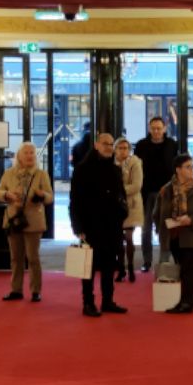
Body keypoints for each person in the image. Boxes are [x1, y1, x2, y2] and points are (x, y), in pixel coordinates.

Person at [69, 133, 128, 317]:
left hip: (112, 226)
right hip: (91, 226)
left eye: (111, 145)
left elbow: (122, 195)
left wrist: (123, 213)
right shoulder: (82, 169)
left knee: (109, 266)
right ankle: (88, 303)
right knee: (89, 267)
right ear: (96, 145)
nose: (109, 147)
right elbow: (75, 201)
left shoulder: (115, 170)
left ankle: (108, 301)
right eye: (105, 144)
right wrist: (78, 228)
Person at [154, 154, 193, 314]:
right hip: (174, 236)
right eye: (188, 167)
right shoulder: (166, 190)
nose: (192, 170)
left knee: (189, 270)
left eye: (192, 167)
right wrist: (162, 228)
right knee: (184, 271)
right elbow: (157, 213)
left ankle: (186, 304)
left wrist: (191, 220)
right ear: (178, 170)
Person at [0, 142, 53, 302]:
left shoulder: (41, 174)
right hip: (14, 220)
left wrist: (42, 195)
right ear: (19, 156)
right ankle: (16, 290)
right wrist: (7, 195)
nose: (29, 156)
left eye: (32, 153)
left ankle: (35, 291)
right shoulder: (9, 173)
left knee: (33, 258)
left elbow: (50, 197)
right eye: (26, 153)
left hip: (33, 221)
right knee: (16, 258)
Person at [134, 116, 178, 273]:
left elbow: (176, 169)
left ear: (164, 128)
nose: (156, 131)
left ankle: (164, 261)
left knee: (165, 228)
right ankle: (147, 261)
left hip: (166, 193)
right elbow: (136, 169)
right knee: (145, 229)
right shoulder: (141, 145)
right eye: (153, 128)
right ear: (149, 128)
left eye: (159, 128)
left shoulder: (172, 145)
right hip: (146, 193)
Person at [113, 137, 143, 283]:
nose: (123, 151)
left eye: (126, 148)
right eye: (120, 148)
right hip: (114, 206)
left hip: (131, 205)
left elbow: (136, 185)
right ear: (115, 150)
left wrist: (118, 191)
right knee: (118, 240)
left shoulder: (135, 163)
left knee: (129, 238)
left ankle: (130, 267)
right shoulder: (110, 164)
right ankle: (121, 269)